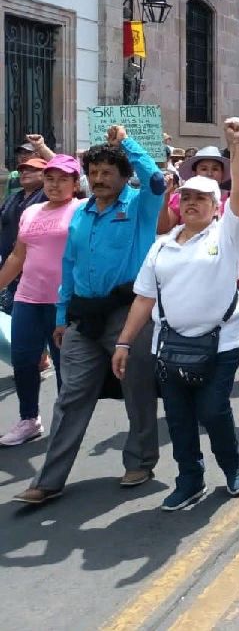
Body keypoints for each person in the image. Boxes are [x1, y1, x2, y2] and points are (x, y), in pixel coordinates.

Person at [14, 126, 165, 505]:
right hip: (83, 318)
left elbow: (158, 181)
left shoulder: (138, 207)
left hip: (127, 315)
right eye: (93, 172)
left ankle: (141, 461)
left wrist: (126, 143)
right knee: (70, 397)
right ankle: (48, 481)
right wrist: (62, 316)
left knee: (137, 390)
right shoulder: (81, 213)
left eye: (107, 172)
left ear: (123, 176)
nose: (98, 179)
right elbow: (70, 264)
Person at [112, 118, 239, 511]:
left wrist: (236, 145)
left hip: (221, 342)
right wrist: (124, 341)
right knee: (177, 417)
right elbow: (143, 298)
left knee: (212, 409)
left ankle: (232, 466)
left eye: (202, 199)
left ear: (215, 207)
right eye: (187, 197)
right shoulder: (161, 246)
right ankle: (189, 480)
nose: (192, 202)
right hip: (169, 345)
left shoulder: (226, 236)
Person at [0, 155, 83, 446]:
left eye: (63, 179)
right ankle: (28, 420)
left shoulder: (82, 210)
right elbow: (17, 256)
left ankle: (66, 423)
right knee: (23, 361)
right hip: (27, 298)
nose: (55, 185)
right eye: (50, 178)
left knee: (64, 367)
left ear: (75, 183)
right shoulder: (30, 212)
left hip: (65, 303)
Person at [160, 145, 239, 327]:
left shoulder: (236, 201)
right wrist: (165, 198)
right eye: (204, 168)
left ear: (223, 174)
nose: (209, 173)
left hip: (234, 277)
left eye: (215, 169)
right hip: (190, 275)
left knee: (234, 322)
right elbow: (163, 227)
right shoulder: (179, 199)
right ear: (195, 172)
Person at [0, 139, 52, 311]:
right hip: (11, 274)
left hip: (37, 277)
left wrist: (41, 148)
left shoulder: (48, 197)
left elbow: (65, 168)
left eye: (32, 169)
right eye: (23, 169)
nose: (25, 172)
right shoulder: (12, 198)